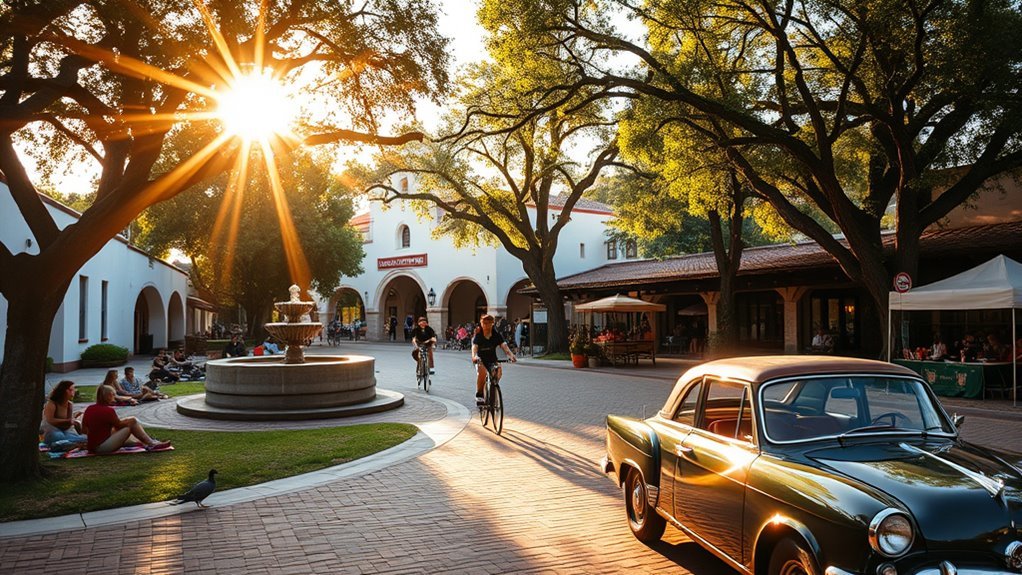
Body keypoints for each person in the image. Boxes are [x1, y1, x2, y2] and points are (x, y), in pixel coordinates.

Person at [82, 385, 171, 453]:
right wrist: (129, 421)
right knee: (132, 423)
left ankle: (148, 442)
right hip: (100, 448)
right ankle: (151, 443)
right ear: (108, 396)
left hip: (92, 446)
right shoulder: (108, 410)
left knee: (130, 422)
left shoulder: (89, 408)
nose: (114, 397)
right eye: (113, 395)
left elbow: (84, 430)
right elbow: (119, 425)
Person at [471, 314, 517, 404]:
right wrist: (474, 356)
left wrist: (511, 355)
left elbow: (504, 346)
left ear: (492, 324)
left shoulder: (496, 335)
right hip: (481, 360)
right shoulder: (479, 335)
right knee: (482, 372)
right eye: (484, 323)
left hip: (492, 359)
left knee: (498, 370)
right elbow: (474, 347)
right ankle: (479, 394)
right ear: (481, 323)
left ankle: (493, 389)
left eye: (489, 323)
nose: (486, 325)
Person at [40, 380, 87, 451]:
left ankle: (68, 444)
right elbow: (50, 420)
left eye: (73, 389)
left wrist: (70, 422)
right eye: (70, 390)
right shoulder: (52, 403)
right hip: (52, 431)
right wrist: (68, 421)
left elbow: (68, 424)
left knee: (84, 438)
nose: (73, 392)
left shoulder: (69, 404)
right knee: (59, 436)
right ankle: (74, 444)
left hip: (66, 431)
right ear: (63, 391)